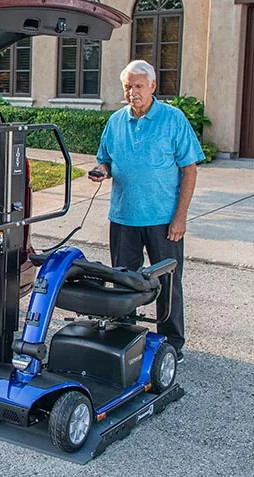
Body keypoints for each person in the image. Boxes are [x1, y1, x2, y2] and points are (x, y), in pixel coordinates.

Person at [89, 59, 204, 363]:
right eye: (128, 86)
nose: (132, 92)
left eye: (139, 86)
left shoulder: (173, 119)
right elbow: (107, 160)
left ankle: (172, 344)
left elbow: (189, 170)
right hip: (124, 217)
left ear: (153, 86)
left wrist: (180, 217)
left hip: (164, 220)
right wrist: (101, 170)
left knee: (168, 283)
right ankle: (124, 339)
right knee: (124, 283)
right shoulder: (115, 122)